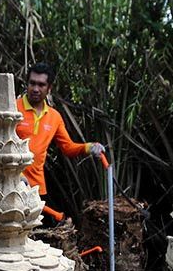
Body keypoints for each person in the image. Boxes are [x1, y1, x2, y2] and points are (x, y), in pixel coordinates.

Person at [15, 62, 105, 205]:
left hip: (36, 188)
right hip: (9, 185)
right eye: (32, 83)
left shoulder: (54, 117)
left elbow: (68, 148)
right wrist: (15, 174)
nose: (36, 89)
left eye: (41, 85)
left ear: (49, 88)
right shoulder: (12, 108)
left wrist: (89, 147)